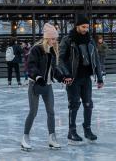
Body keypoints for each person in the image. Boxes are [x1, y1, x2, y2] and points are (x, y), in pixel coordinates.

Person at [58, 15, 104, 145]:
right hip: (73, 78)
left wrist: (99, 78)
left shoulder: (90, 40)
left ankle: (87, 129)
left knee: (88, 103)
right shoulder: (68, 40)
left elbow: (95, 59)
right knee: (74, 104)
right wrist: (66, 74)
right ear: (77, 26)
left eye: (87, 27)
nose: (85, 29)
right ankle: (71, 131)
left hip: (86, 77)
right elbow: (60, 59)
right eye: (83, 27)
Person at [21, 23, 63, 151]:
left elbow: (54, 69)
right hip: (35, 84)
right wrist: (37, 77)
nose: (55, 41)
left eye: (55, 39)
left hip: (48, 85)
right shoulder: (36, 49)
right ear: (46, 38)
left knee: (51, 112)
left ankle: (52, 137)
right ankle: (25, 137)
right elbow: (31, 65)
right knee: (33, 112)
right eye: (52, 39)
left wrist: (62, 78)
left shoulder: (53, 50)